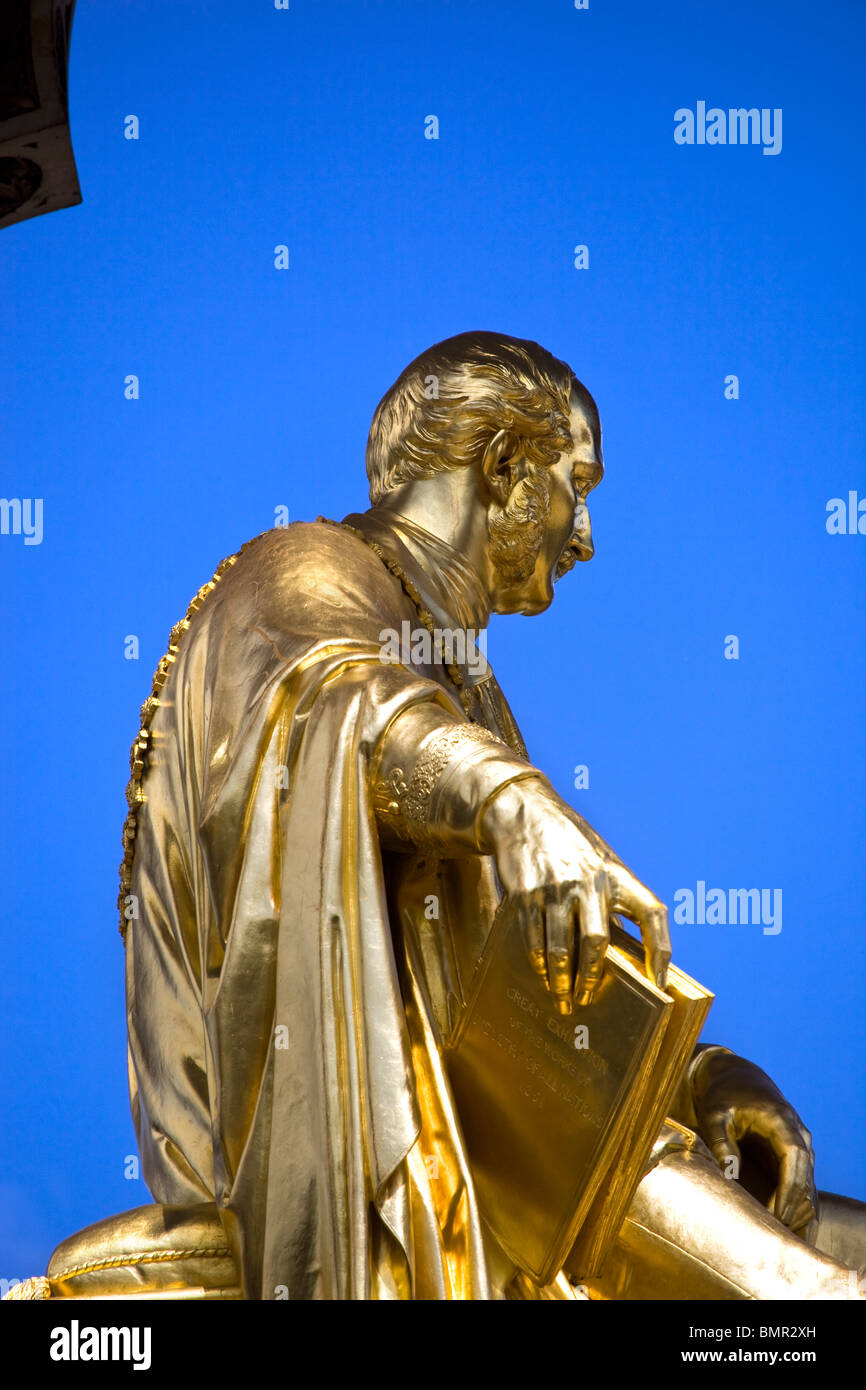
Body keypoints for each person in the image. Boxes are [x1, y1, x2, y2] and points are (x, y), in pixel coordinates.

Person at [119, 331, 864, 1299]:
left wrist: (696, 1075)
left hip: (518, 1163)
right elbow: (340, 700)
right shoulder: (305, 569)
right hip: (435, 1180)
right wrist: (512, 802)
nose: (583, 537)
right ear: (506, 465)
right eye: (575, 486)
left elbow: (515, 1003)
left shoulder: (461, 681)